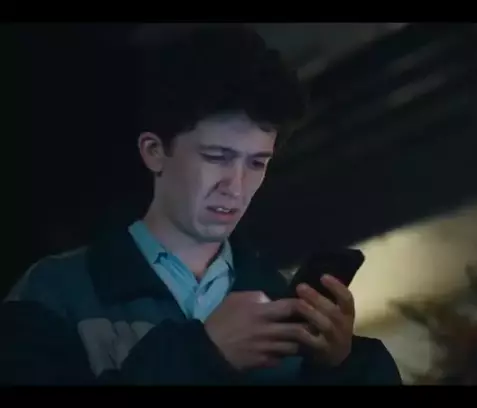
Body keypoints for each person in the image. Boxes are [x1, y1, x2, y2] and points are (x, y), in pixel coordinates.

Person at [0, 25, 402, 385]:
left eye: (257, 163)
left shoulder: (285, 307)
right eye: (216, 157)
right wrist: (204, 355)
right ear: (155, 151)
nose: (236, 186)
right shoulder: (55, 293)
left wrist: (344, 369)